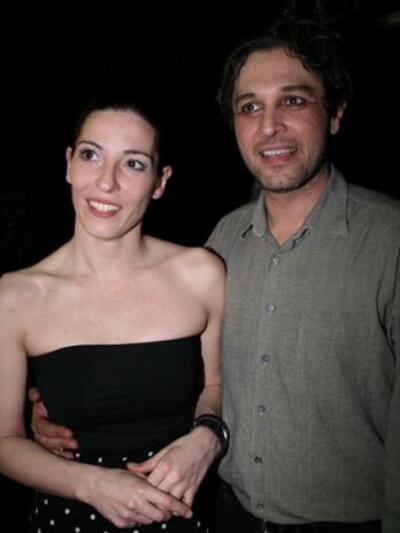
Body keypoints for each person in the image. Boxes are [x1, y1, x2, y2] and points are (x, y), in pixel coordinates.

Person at [31, 17, 400, 533]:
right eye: (250, 107)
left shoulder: (389, 239)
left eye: (293, 101)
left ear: (335, 114)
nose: (269, 126)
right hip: (225, 515)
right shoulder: (222, 242)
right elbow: (190, 375)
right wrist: (56, 409)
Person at [0, 97, 227, 532]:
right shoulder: (17, 296)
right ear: (68, 164)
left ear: (160, 182)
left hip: (179, 512)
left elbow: (215, 386)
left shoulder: (201, 274)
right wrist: (92, 484)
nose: (106, 182)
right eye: (91, 155)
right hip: (69, 515)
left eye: (134, 164)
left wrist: (205, 437)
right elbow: (5, 441)